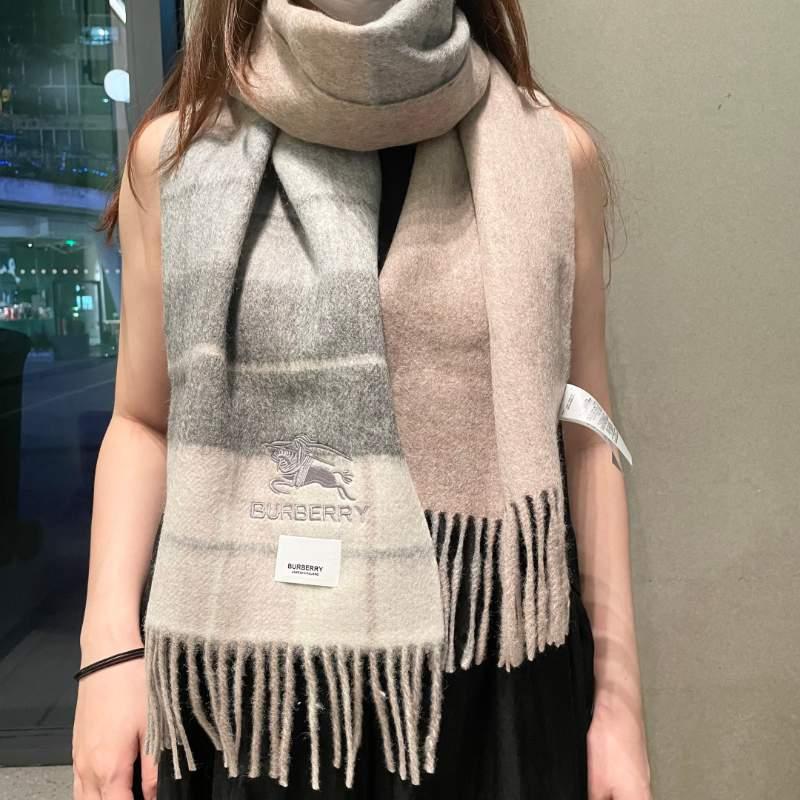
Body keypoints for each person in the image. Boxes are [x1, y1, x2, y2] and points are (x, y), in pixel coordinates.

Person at [72, 0, 653, 798]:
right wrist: (106, 651)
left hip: (489, 676)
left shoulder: (552, 156)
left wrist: (620, 708)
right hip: (250, 683)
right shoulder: (178, 158)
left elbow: (585, 431)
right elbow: (142, 422)